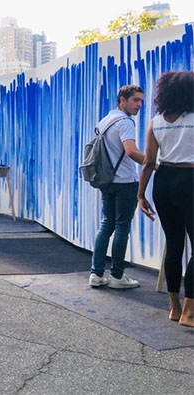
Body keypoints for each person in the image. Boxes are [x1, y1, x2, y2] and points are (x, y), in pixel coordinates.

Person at [137, 71, 194, 327]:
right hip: (190, 181)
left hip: (164, 182)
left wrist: (141, 194)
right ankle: (190, 313)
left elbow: (148, 162)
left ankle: (174, 307)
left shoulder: (155, 122)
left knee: (173, 243)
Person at [88, 86, 146, 289]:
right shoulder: (126, 122)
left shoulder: (105, 121)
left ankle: (96, 273)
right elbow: (131, 151)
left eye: (141, 101)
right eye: (135, 100)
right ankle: (118, 276)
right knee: (122, 226)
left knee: (106, 225)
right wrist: (154, 163)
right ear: (123, 100)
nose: (139, 105)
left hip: (107, 181)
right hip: (125, 183)